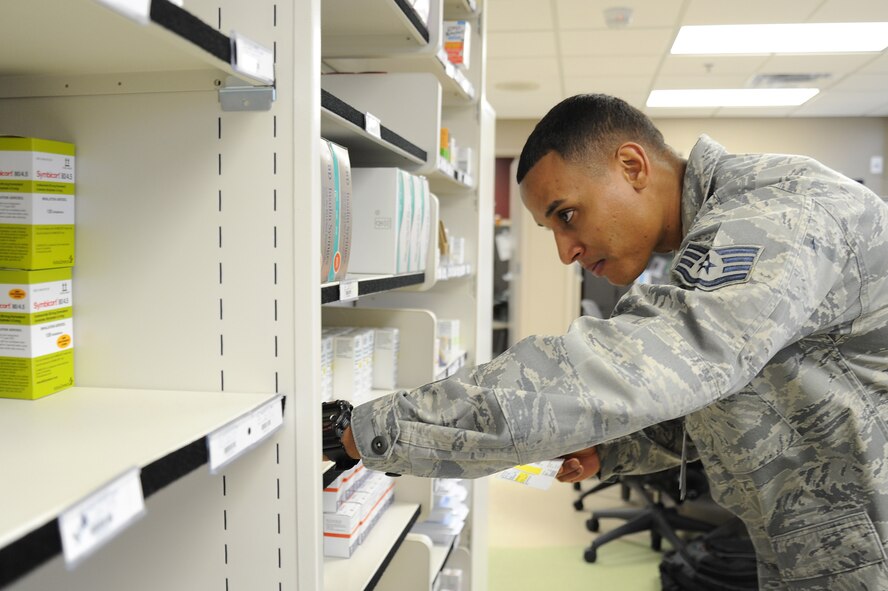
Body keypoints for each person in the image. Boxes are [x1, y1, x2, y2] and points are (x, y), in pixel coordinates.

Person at [321, 94, 888, 590]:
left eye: (567, 215)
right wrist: (617, 448)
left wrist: (376, 428)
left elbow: (628, 367)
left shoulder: (774, 213)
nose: (565, 251)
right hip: (823, 540)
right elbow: (751, 394)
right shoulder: (715, 226)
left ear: (632, 165)